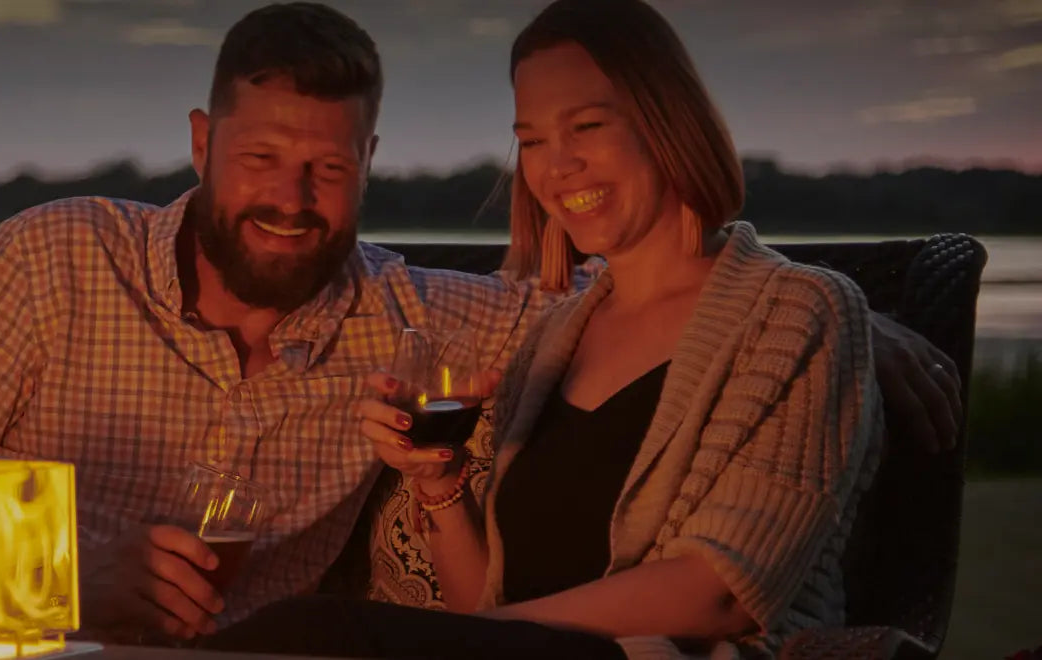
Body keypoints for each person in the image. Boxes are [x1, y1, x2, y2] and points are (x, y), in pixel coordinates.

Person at [0, 0, 961, 646]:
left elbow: (659, 289)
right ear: (201, 143)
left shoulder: (420, 321)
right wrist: (67, 570)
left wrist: (865, 311)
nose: (292, 199)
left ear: (369, 165)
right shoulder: (56, 259)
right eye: (261, 157)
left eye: (328, 168)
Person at [199, 0, 897, 658]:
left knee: (304, 633)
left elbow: (722, 593)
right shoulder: (554, 335)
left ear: (668, 121)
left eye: (586, 127)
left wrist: (437, 642)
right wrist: (441, 484)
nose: (557, 166)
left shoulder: (796, 312)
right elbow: (486, 603)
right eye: (531, 141)